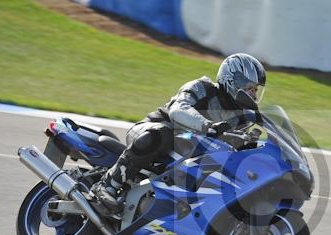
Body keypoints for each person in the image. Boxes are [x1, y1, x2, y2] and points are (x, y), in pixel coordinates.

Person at [91, 53, 266, 212]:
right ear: (232, 80)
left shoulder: (242, 118)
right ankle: (107, 184)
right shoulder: (202, 88)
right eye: (250, 88)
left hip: (187, 153)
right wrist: (207, 126)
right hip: (152, 132)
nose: (254, 96)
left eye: (256, 90)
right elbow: (178, 110)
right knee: (162, 133)